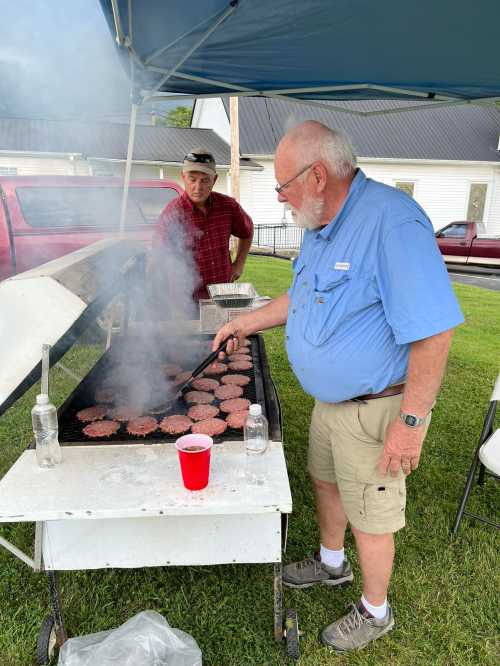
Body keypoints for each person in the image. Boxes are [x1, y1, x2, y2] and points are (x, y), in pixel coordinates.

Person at [212, 121, 464, 653]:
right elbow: (299, 298)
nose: (281, 200)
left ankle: (376, 610)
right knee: (325, 482)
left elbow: (435, 333)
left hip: (375, 408)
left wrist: (411, 425)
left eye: (283, 187)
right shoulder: (321, 224)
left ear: (319, 175)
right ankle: (332, 564)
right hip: (331, 406)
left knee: (372, 514)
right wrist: (244, 322)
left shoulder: (392, 224)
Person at [154, 149, 253, 300]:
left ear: (214, 180)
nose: (198, 187)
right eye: (192, 179)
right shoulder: (172, 214)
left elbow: (247, 230)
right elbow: (158, 258)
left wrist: (239, 264)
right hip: (187, 301)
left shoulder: (228, 206)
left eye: (205, 180)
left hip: (222, 296)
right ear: (183, 177)